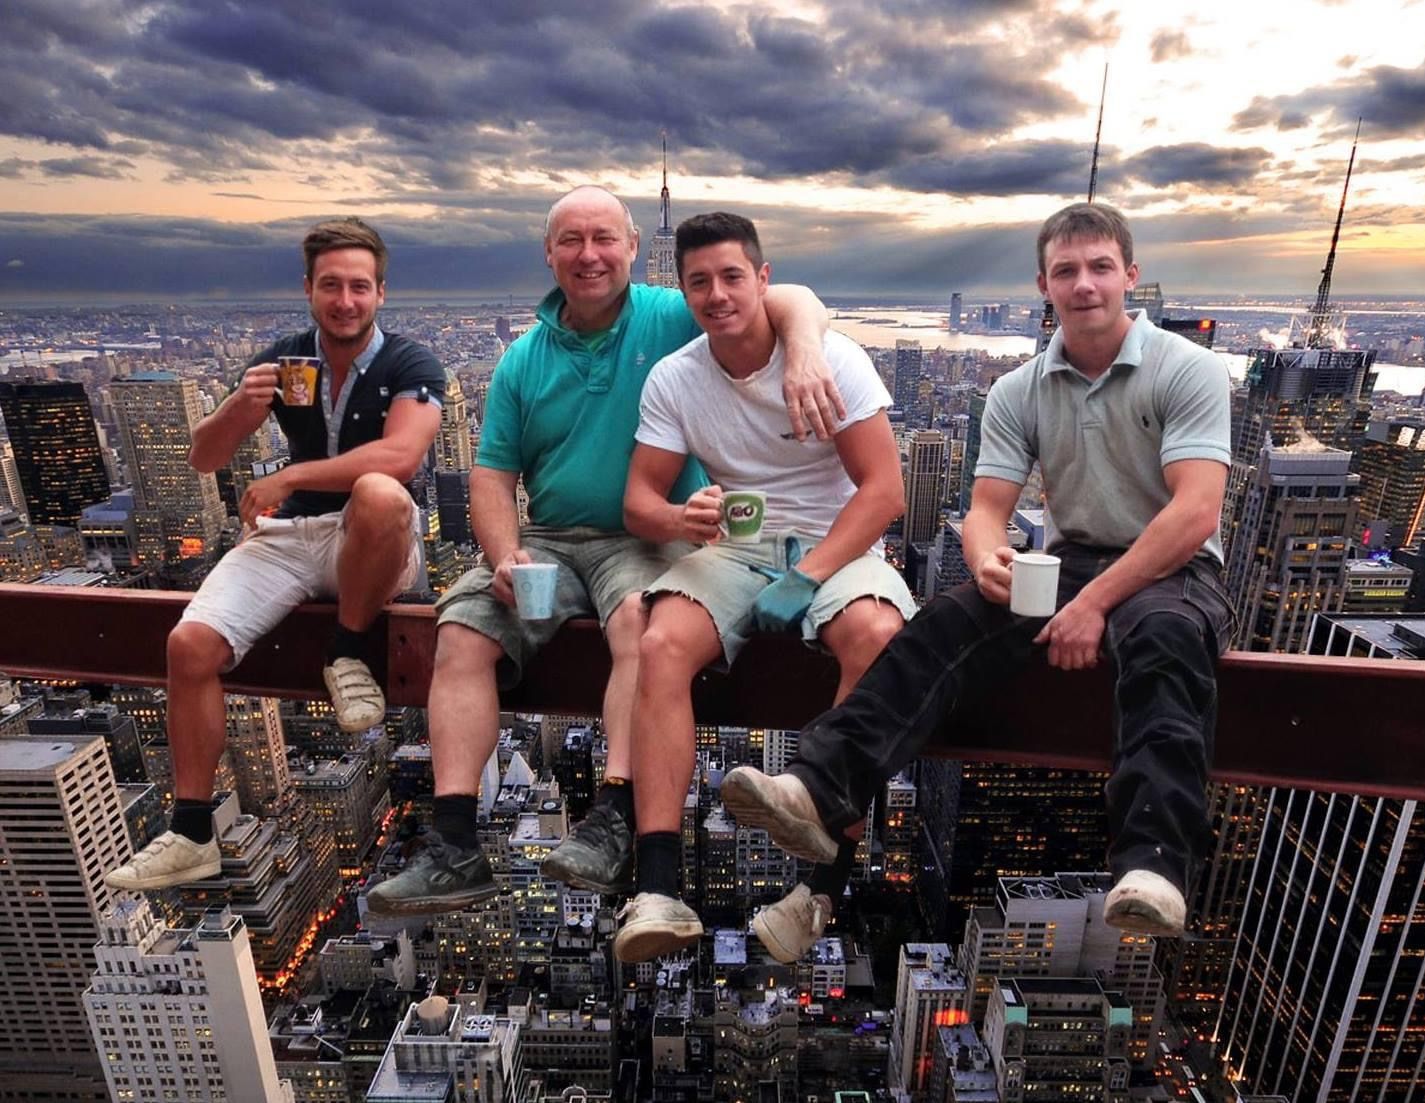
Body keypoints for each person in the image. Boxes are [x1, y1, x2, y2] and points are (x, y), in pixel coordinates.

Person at [721, 202, 1234, 938]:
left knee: (1164, 644)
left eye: (1099, 268)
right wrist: (985, 555)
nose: (1084, 284)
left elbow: (1194, 514)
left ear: (1130, 274)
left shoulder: (1187, 370)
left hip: (1172, 565)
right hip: (1073, 556)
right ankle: (817, 783)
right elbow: (988, 506)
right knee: (943, 625)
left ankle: (1153, 862)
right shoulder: (1019, 388)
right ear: (1043, 285)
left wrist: (1093, 602)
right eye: (1066, 271)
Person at [366, 187, 843, 916]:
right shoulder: (522, 359)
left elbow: (790, 297)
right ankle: (453, 844)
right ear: (549, 254)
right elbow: (493, 475)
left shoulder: (671, 312)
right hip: (550, 541)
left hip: (649, 535)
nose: (588, 255)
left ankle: (617, 814)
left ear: (630, 246)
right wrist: (502, 554)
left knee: (637, 628)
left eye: (603, 238)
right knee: (458, 632)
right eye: (571, 241)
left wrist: (805, 354)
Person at [611, 212, 916, 964]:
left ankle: (819, 890)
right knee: (659, 641)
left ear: (764, 278)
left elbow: (883, 493)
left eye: (732, 276)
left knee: (876, 638)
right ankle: (657, 884)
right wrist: (682, 516)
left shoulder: (831, 361)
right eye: (699, 282)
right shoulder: (676, 377)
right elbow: (638, 503)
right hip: (739, 548)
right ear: (682, 291)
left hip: (837, 544)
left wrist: (809, 573)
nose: (717, 294)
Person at [107, 217, 445, 891]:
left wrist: (290, 475)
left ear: (381, 292)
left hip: (370, 539)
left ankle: (346, 651)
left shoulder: (411, 363)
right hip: (292, 538)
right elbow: (204, 456)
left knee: (379, 492)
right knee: (189, 647)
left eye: (358, 286)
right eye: (330, 286)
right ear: (308, 289)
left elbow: (402, 457)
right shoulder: (285, 360)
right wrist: (241, 403)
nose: (344, 300)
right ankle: (193, 829)